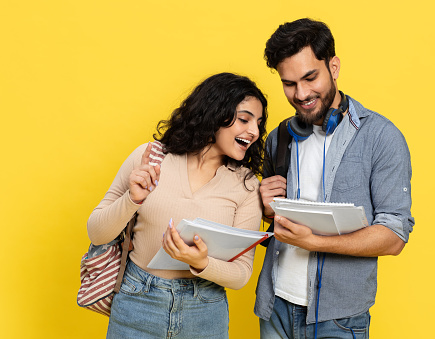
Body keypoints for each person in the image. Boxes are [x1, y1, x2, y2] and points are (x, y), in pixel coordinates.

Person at [254, 18, 415, 339]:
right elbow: (272, 218)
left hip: (339, 317)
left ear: (334, 67)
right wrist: (264, 207)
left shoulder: (382, 137)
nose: (301, 93)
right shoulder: (278, 137)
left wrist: (313, 242)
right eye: (289, 83)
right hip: (274, 307)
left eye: (310, 77)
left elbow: (394, 236)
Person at [87, 72, 267, 339]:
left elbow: (242, 274)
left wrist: (202, 262)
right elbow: (97, 233)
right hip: (137, 302)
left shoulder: (247, 185)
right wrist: (132, 199)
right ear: (214, 113)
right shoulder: (149, 158)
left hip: (204, 310)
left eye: (258, 123)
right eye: (244, 119)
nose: (253, 131)